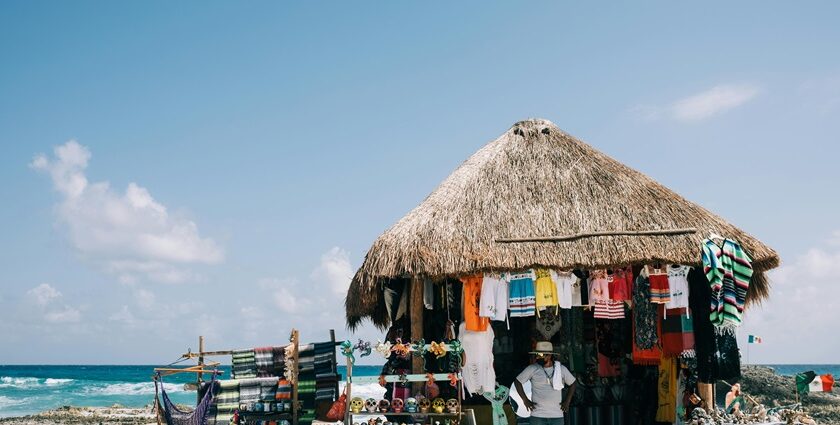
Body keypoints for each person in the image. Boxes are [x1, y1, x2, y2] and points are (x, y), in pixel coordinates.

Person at [513, 341, 577, 425]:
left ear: (549, 355)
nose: (537, 357)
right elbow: (517, 382)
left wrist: (567, 402)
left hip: (557, 415)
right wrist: (525, 400)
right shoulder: (533, 368)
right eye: (537, 355)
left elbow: (573, 383)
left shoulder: (561, 369)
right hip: (537, 415)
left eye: (541, 355)